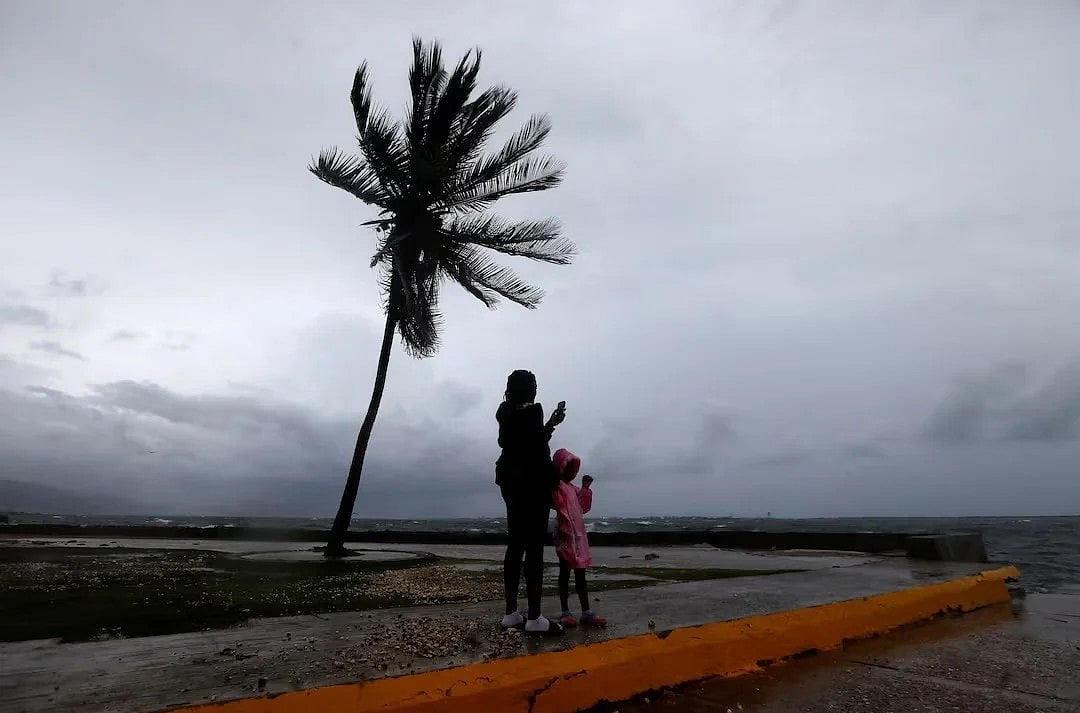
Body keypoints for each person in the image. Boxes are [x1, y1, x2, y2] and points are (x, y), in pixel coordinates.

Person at [495, 369, 565, 634]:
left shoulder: (505, 412)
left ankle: (511, 613)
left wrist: (550, 425)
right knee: (534, 547)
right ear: (532, 389)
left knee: (515, 544)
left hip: (509, 479)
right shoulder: (533, 411)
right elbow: (536, 448)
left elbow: (516, 442)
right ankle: (535, 618)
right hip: (533, 483)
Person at [551, 448, 606, 628]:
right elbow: (556, 503)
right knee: (565, 573)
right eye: (567, 468)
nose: (570, 472)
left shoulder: (573, 489)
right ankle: (565, 612)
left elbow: (583, 507)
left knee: (580, 573)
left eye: (572, 469)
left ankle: (586, 612)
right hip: (565, 537)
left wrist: (585, 489)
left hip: (578, 538)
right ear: (560, 468)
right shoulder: (556, 486)